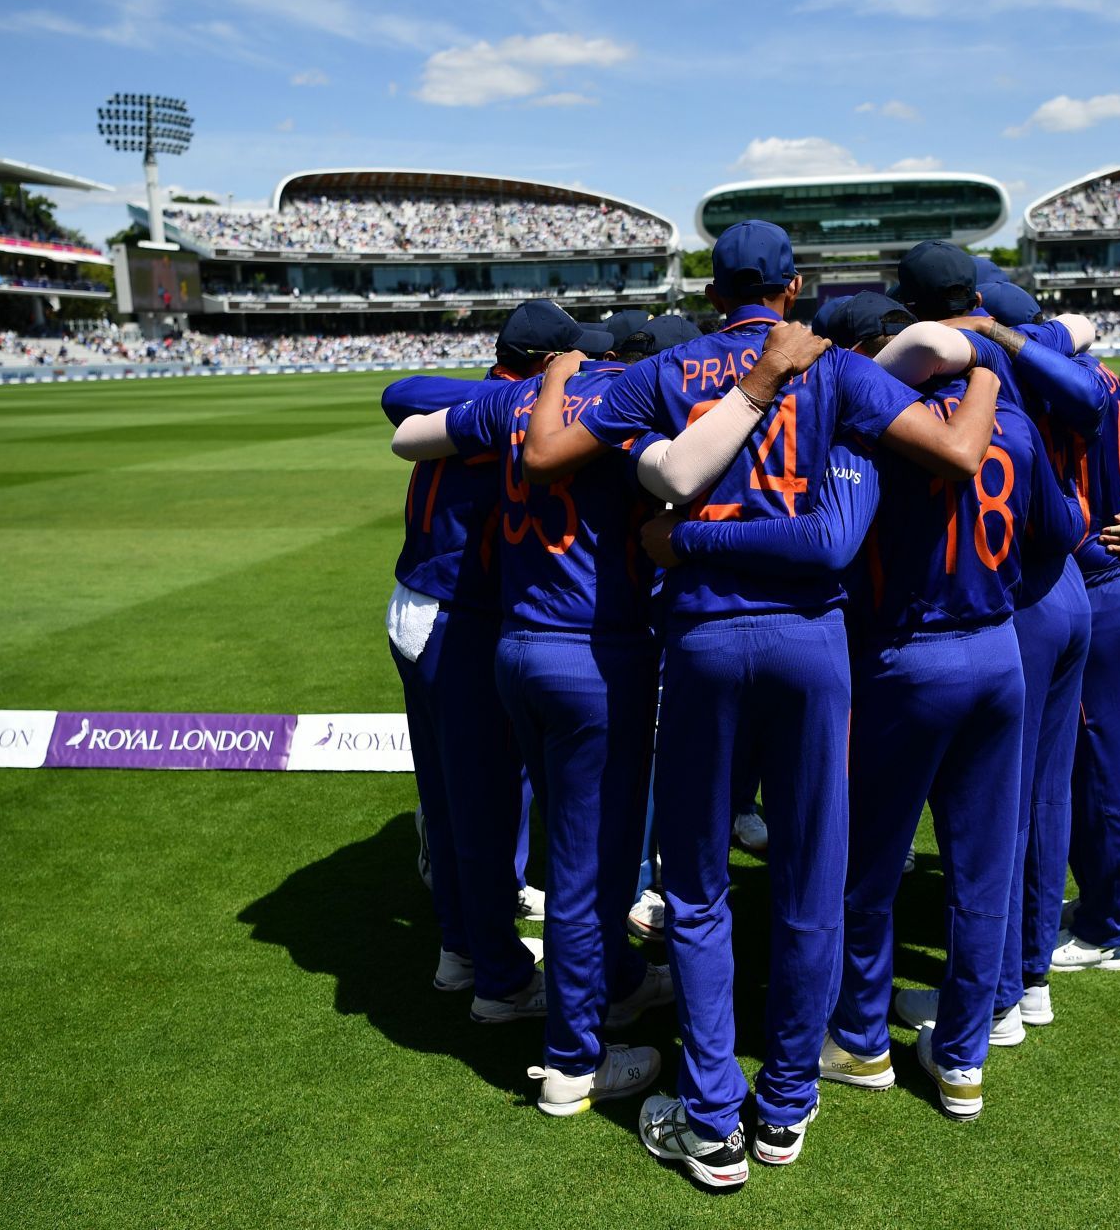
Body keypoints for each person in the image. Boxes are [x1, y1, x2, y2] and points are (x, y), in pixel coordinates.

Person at [520, 220, 1000, 1189]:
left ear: (713, 288)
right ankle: (784, 1107)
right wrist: (986, 360)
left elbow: (550, 454)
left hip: (698, 638)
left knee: (694, 888)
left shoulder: (672, 371)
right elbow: (953, 455)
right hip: (812, 643)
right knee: (809, 879)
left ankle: (710, 1120)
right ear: (795, 286)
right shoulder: (835, 368)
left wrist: (575, 390)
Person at [818, 241, 1077, 1122]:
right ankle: (963, 1057)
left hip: (907, 655)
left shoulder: (877, 416)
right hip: (998, 651)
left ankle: (858, 1039)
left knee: (874, 862)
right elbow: (1062, 530)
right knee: (982, 865)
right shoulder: (1003, 410)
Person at [389, 324, 677, 1117]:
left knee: (467, 804)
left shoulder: (514, 404)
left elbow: (403, 409)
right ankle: (566, 1047)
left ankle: (475, 957)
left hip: (499, 634)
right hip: (564, 643)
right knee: (578, 859)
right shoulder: (615, 406)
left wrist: (536, 388)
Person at [377, 300, 612, 1025]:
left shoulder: (485, 400)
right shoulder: (521, 409)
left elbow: (406, 395)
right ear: (545, 365)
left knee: (449, 800)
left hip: (420, 605)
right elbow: (400, 394)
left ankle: (460, 951)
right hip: (459, 618)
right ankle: (501, 981)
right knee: (481, 809)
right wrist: (532, 393)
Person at [949, 289, 1120, 976]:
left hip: (1092, 584)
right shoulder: (1090, 370)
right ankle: (1092, 908)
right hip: (1099, 582)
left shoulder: (1046, 377)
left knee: (1091, 770)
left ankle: (1107, 924)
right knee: (1070, 770)